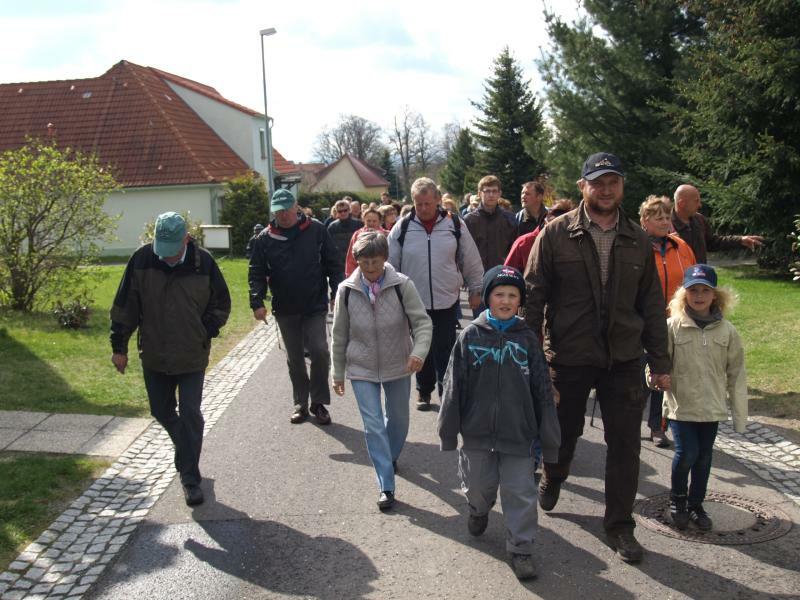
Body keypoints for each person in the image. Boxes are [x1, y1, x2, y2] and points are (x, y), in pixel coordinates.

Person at [525, 152, 670, 563]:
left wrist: (660, 362)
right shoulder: (555, 234)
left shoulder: (637, 238)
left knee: (625, 445)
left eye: (613, 182)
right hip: (569, 355)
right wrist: (531, 356)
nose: (606, 190)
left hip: (623, 358)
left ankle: (620, 525)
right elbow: (533, 295)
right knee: (563, 433)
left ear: (622, 186)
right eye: (598, 183)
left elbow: (651, 303)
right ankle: (554, 474)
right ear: (582, 186)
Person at [438, 265, 560, 580]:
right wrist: (448, 431)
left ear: (520, 301)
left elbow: (542, 392)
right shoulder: (470, 336)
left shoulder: (527, 339)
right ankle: (479, 510)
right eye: (499, 294)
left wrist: (549, 440)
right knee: (478, 487)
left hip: (519, 435)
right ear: (488, 297)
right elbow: (453, 386)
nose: (505, 301)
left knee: (520, 492)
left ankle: (521, 548)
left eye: (512, 295)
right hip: (477, 433)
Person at [110, 212, 231, 506]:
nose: (165, 257)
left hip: (191, 354)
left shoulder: (204, 263)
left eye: (171, 250)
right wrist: (119, 346)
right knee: (161, 410)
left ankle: (190, 479)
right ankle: (185, 447)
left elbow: (221, 303)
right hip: (155, 353)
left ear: (186, 240)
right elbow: (126, 305)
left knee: (190, 413)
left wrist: (205, 330)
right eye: (161, 250)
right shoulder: (142, 260)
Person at [331, 231, 433, 510]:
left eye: (375, 261)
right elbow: (339, 335)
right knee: (373, 424)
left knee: (399, 419)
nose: (370, 268)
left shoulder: (402, 285)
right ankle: (386, 485)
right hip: (361, 366)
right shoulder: (346, 290)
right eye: (364, 262)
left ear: (385, 258)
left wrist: (418, 352)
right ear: (357, 261)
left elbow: (422, 323)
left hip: (398, 363)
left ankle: (390, 454)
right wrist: (337, 373)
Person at [658, 264, 747, 531]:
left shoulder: (727, 331)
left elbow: (737, 374)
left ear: (715, 295)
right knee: (687, 453)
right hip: (681, 405)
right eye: (693, 290)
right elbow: (657, 362)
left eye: (705, 291)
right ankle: (678, 500)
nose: (699, 296)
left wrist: (740, 417)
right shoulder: (672, 327)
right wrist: (656, 378)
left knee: (704, 457)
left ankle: (696, 504)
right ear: (684, 294)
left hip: (711, 406)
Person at [388, 177, 484, 411]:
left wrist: (476, 289)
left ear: (438, 200)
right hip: (414, 301)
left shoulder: (455, 225)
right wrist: (390, 296)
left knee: (445, 349)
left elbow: (470, 259)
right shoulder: (402, 227)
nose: (422, 208)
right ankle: (424, 390)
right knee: (423, 348)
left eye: (427, 203)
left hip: (446, 299)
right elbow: (390, 265)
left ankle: (446, 393)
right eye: (418, 204)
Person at [249, 189, 343, 425]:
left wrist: (337, 292)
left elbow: (333, 263)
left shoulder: (316, 230)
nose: (282, 214)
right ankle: (301, 403)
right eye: (278, 211)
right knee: (295, 357)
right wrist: (257, 301)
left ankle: (318, 402)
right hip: (285, 307)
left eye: (286, 209)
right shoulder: (265, 238)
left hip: (314, 303)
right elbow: (256, 272)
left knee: (320, 351)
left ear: (296, 207)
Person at [639, 195, 696, 448]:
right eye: (657, 217)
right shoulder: (636, 246)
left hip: (675, 321)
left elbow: (693, 279)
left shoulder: (681, 247)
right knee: (639, 375)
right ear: (645, 220)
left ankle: (657, 427)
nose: (664, 221)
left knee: (663, 374)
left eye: (666, 216)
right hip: (641, 321)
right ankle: (629, 422)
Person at [671, 184, 764, 263]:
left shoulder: (700, 220)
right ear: (681, 203)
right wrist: (666, 241)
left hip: (699, 276)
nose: (700, 205)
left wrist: (740, 240)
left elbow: (713, 243)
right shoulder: (666, 225)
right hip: (677, 277)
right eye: (696, 201)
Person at [504, 199, 574, 273]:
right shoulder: (523, 243)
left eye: (563, 227)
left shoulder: (573, 244)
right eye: (554, 226)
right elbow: (506, 274)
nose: (557, 231)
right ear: (546, 220)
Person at [328, 198, 363, 284]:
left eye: (345, 210)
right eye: (340, 211)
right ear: (336, 212)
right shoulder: (332, 227)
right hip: (339, 266)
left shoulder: (358, 224)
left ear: (349, 210)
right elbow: (329, 247)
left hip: (356, 262)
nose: (343, 213)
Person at [344, 208, 387, 277]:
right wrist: (349, 275)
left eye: (374, 221)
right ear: (363, 220)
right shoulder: (357, 235)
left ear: (379, 221)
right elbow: (351, 257)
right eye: (368, 221)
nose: (371, 223)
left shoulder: (386, 235)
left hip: (382, 272)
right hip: (362, 273)